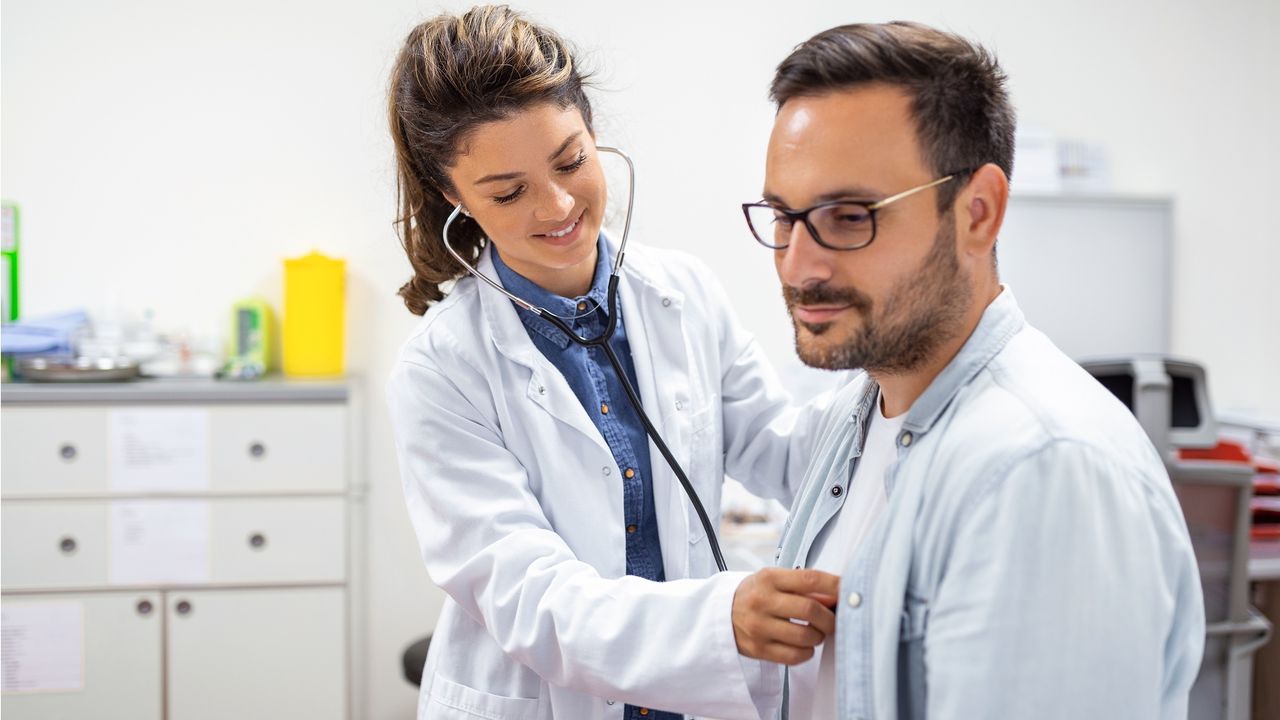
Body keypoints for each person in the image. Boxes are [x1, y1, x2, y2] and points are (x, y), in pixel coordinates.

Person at [743, 21, 1206, 719]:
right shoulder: (859, 413)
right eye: (784, 217)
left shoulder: (1039, 470)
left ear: (978, 213)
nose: (798, 265)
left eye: (848, 217)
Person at [385, 6, 838, 719]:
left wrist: (897, 374)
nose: (559, 204)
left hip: (690, 698)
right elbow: (528, 594)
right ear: (453, 196)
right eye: (508, 192)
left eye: (571, 161)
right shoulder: (441, 369)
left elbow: (785, 452)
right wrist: (714, 622)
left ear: (595, 136)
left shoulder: (682, 294)